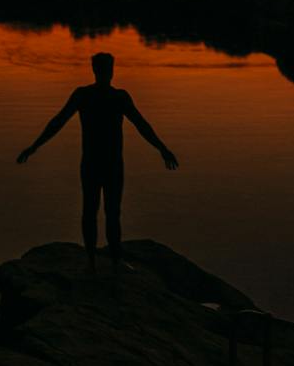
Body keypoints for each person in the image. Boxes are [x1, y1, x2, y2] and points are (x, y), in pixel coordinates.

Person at [16, 51, 179, 270]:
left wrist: (163, 148)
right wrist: (34, 146)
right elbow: (59, 121)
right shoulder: (104, 96)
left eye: (107, 70)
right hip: (104, 163)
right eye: (106, 70)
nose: (107, 74)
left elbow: (141, 125)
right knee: (102, 211)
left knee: (100, 211)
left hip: (99, 163)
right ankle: (102, 260)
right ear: (105, 71)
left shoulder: (99, 96)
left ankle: (103, 259)